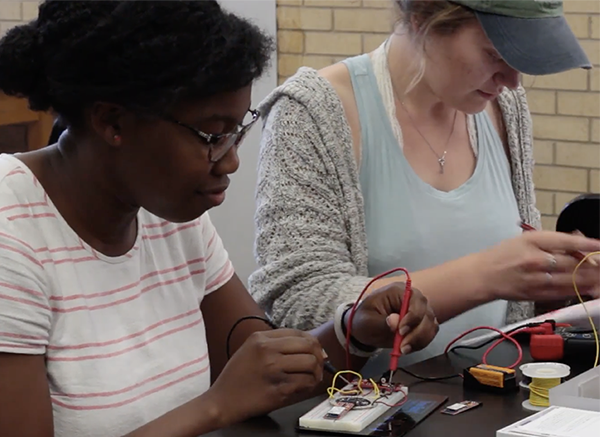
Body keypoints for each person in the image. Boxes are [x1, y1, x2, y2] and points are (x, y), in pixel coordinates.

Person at [0, 1, 440, 436]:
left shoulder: (167, 211)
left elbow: (258, 368)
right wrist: (215, 407)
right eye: (212, 135)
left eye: (237, 131)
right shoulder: (12, 232)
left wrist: (354, 332)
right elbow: (233, 394)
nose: (230, 161)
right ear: (112, 121)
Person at [250, 0, 600, 367]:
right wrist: (486, 276)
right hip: (365, 413)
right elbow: (297, 302)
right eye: (496, 54)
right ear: (422, 18)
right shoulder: (312, 112)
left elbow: (511, 312)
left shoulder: (504, 106)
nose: (513, 80)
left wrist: (559, 280)